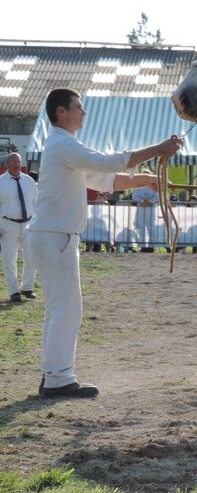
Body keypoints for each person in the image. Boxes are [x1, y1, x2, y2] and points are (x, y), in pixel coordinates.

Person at [28, 87, 181, 399]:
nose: (83, 113)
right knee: (66, 309)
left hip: (54, 236)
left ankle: (53, 375)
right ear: (61, 112)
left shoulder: (64, 147)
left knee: (59, 309)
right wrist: (159, 148)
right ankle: (57, 378)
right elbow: (109, 162)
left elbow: (104, 180)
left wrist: (144, 180)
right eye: (78, 107)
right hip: (55, 237)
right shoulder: (61, 145)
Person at [0, 152, 38, 302]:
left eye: (18, 162)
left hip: (28, 223)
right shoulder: (1, 182)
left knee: (31, 256)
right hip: (8, 223)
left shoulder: (29, 181)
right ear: (7, 164)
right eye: (13, 162)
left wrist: (37, 222)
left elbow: (36, 202)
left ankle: (27, 287)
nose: (16, 165)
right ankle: (13, 291)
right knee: (9, 259)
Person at [131, 169, 158, 252]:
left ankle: (151, 246)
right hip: (141, 209)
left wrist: (149, 201)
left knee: (151, 228)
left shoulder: (154, 186)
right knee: (141, 228)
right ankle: (143, 246)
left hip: (151, 209)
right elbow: (134, 196)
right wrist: (143, 201)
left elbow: (158, 197)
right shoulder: (138, 186)